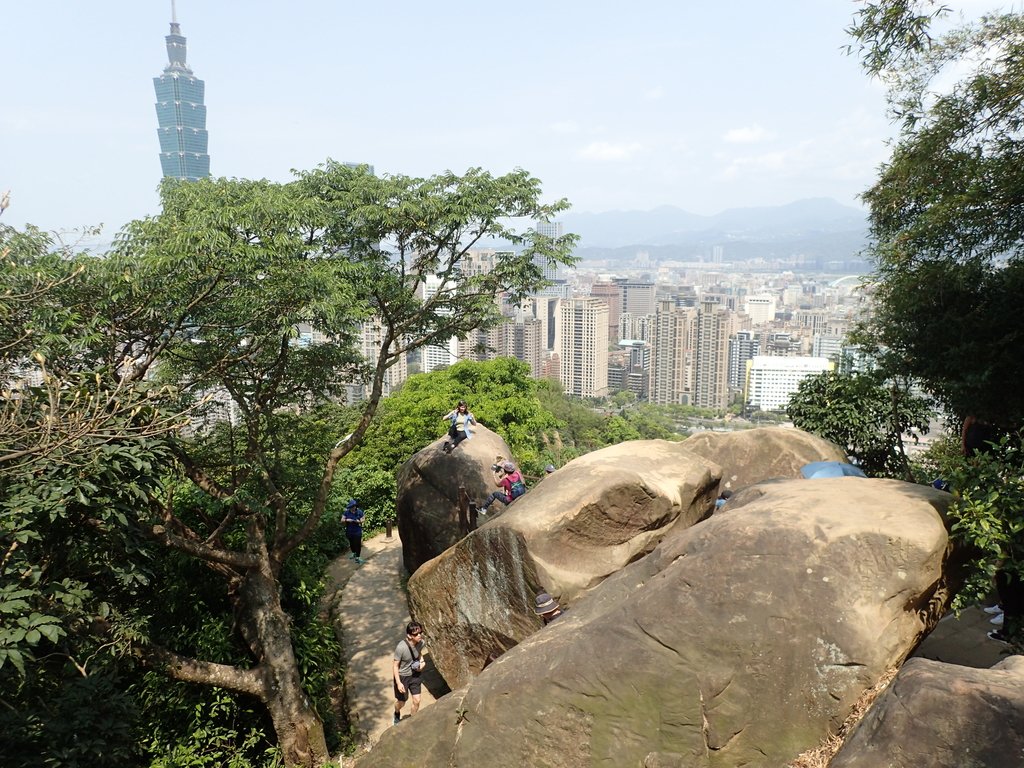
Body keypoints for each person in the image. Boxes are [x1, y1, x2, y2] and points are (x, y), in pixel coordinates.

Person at [392, 621, 427, 725]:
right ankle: (396, 713)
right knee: (401, 702)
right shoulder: (401, 648)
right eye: (416, 634)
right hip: (403, 676)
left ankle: (413, 721)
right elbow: (395, 665)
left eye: (420, 632)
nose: (419, 635)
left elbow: (419, 653)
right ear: (409, 635)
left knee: (417, 700)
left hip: (415, 675)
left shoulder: (421, 643)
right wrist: (398, 683)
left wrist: (422, 662)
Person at [343, 499, 365, 565]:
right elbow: (342, 519)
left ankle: (358, 557)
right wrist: (347, 520)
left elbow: (363, 519)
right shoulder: (346, 512)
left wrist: (359, 521)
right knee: (351, 543)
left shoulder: (359, 512)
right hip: (349, 531)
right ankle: (354, 553)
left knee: (358, 544)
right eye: (352, 506)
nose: (353, 508)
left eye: (354, 506)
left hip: (357, 531)